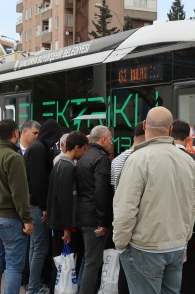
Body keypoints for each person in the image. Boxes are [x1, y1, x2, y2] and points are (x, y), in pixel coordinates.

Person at [113, 106, 195, 293]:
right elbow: (192, 206)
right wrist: (184, 240)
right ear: (170, 129)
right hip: (176, 245)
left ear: (144, 125)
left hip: (144, 247)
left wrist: (120, 244)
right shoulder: (189, 161)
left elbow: (125, 209)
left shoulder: (137, 159)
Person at [0, 119, 34, 294]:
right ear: (16, 133)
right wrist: (27, 220)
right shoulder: (14, 157)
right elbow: (19, 193)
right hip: (10, 220)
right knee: (14, 267)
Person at [23, 119, 63, 294]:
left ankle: (34, 285)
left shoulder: (35, 147)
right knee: (40, 248)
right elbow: (38, 181)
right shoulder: (39, 149)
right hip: (37, 205)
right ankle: (34, 287)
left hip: (32, 203)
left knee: (35, 247)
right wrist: (44, 207)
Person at [76, 125, 113, 294]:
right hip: (94, 218)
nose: (112, 143)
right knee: (93, 263)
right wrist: (103, 221)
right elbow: (101, 192)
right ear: (103, 140)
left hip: (83, 214)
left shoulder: (84, 156)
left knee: (88, 260)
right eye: (110, 139)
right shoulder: (101, 158)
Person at [171, 119, 195, 294]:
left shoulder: (159, 156)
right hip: (186, 230)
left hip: (163, 228)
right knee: (186, 274)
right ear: (188, 138)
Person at [109, 121, 144, 294]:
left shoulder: (116, 161)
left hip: (121, 220)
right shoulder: (142, 159)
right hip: (139, 223)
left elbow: (115, 191)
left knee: (125, 269)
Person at [47, 131, 88, 262]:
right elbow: (65, 199)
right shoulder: (67, 167)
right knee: (66, 261)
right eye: (85, 149)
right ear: (77, 148)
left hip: (58, 221)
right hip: (64, 224)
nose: (85, 152)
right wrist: (67, 229)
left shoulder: (60, 164)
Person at [15, 119, 41, 286]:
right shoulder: (14, 152)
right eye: (35, 133)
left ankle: (25, 277)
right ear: (24, 132)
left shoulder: (37, 151)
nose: (37, 137)